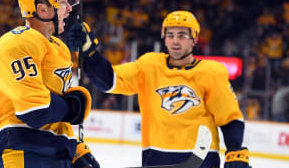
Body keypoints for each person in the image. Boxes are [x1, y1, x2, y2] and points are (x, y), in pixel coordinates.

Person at [67, 10, 251, 167]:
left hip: (202, 159)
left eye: (182, 35)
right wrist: (90, 53)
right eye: (170, 35)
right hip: (157, 157)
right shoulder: (150, 65)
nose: (175, 41)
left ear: (194, 39)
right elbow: (109, 81)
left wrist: (235, 149)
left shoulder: (211, 72)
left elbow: (229, 118)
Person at [0, 0, 100, 168]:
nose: (69, 8)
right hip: (20, 148)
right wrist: (71, 108)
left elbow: (55, 116)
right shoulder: (18, 42)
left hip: (54, 151)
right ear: (43, 9)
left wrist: (76, 150)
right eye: (62, 2)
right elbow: (36, 111)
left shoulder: (59, 48)